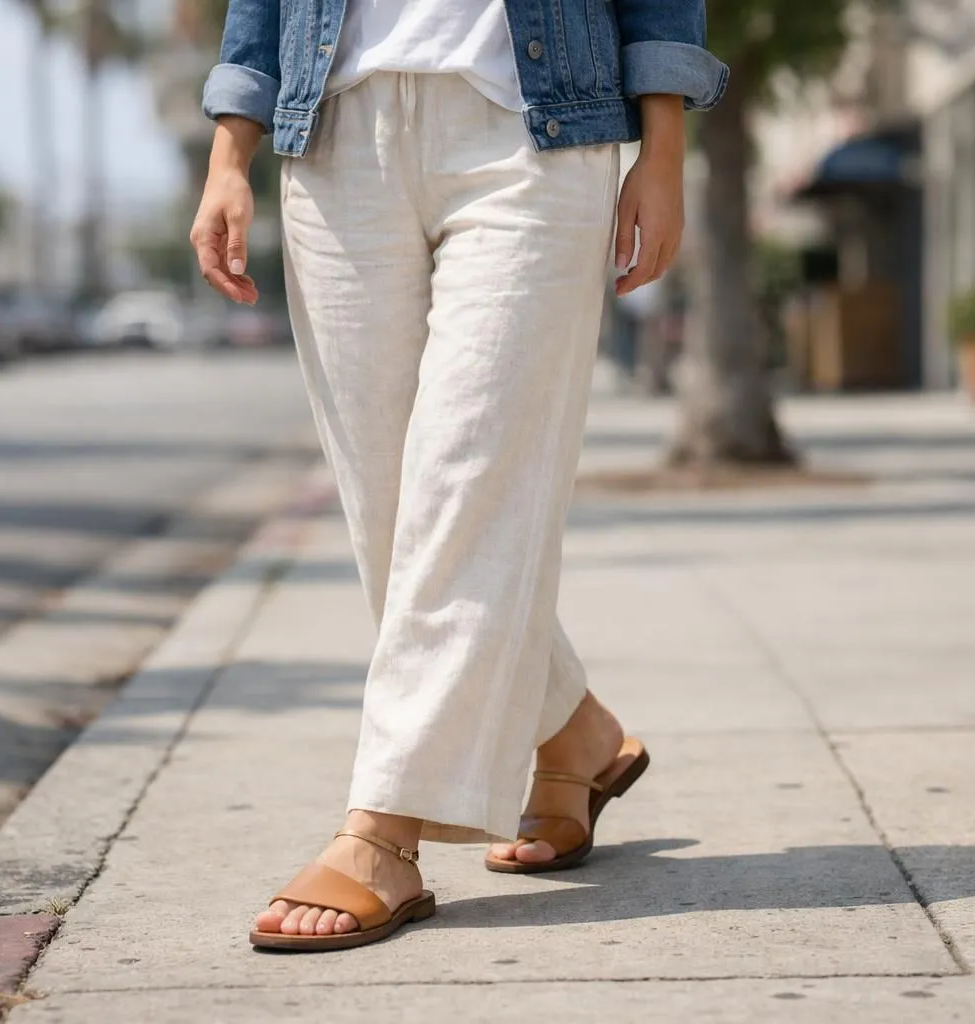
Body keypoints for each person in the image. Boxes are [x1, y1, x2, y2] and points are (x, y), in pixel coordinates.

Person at [191, 0, 727, 952]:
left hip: (534, 126)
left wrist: (665, 148)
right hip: (333, 135)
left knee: (469, 485)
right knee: (394, 513)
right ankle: (575, 738)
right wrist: (230, 148)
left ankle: (382, 833)